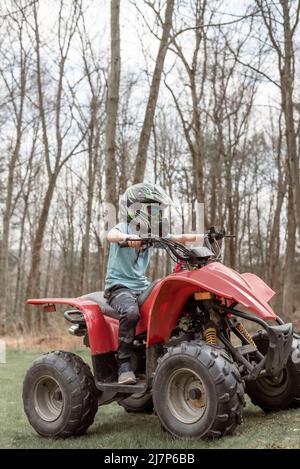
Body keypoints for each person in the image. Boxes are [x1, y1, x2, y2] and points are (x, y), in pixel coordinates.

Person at [104, 183, 203, 385]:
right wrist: (128, 238)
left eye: (159, 210)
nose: (157, 214)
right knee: (131, 312)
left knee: (171, 304)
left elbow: (177, 238)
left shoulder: (152, 232)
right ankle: (123, 365)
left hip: (141, 285)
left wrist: (204, 237)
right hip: (119, 287)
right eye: (153, 209)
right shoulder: (124, 227)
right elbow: (111, 235)